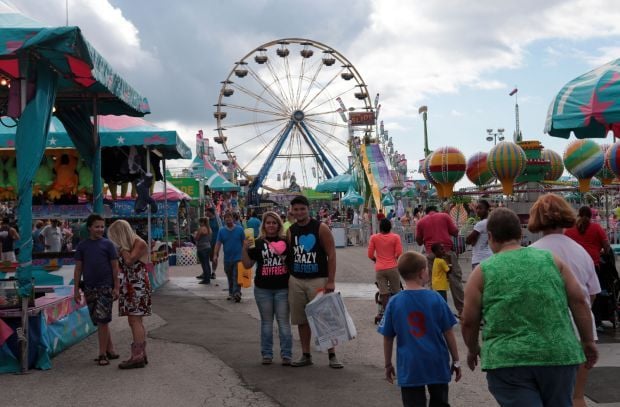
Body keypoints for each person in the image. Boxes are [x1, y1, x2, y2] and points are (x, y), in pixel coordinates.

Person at [461, 208, 598, 406]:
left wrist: (473, 349)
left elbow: (469, 320)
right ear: (520, 234)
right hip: (558, 356)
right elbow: (579, 301)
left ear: (490, 236)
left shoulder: (482, 272)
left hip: (508, 361)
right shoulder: (551, 260)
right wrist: (587, 341)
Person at [528, 194, 600, 407]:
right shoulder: (581, 252)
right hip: (582, 329)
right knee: (576, 397)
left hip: (546, 331)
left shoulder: (532, 253)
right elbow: (592, 293)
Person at [378, 250, 461, 407]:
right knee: (440, 402)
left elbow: (388, 337)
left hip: (410, 365)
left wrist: (388, 364)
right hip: (436, 363)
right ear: (422, 273)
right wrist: (456, 360)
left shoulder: (394, 302)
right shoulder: (436, 298)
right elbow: (448, 332)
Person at [287, 195, 343, 368]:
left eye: (302, 209)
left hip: (318, 279)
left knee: (324, 317)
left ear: (308, 209)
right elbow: (288, 254)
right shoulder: (291, 230)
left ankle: (332, 354)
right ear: (292, 211)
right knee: (302, 320)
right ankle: (306, 354)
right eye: (295, 209)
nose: (299, 212)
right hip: (297, 279)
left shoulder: (321, 228)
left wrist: (331, 280)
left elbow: (331, 255)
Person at [241, 211, 292, 366]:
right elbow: (247, 265)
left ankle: (287, 355)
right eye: (268, 223)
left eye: (274, 222)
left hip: (282, 288)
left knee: (283, 323)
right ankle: (267, 354)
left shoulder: (286, 241)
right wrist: (244, 248)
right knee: (266, 323)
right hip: (263, 289)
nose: (271, 225)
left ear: (279, 225)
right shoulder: (256, 243)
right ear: (264, 225)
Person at [73, 213, 120, 366]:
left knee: (102, 319)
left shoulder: (108, 245)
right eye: (96, 227)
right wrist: (75, 290)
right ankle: (111, 349)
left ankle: (102, 354)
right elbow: (78, 269)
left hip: (105, 286)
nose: (100, 229)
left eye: (102, 226)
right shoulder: (82, 246)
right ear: (89, 228)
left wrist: (116, 286)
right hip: (89, 287)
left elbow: (115, 267)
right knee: (99, 320)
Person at [107, 219, 151, 369]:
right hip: (130, 285)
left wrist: (122, 247)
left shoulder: (139, 243)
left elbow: (129, 261)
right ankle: (140, 353)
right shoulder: (130, 244)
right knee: (134, 320)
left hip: (137, 286)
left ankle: (137, 355)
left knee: (135, 320)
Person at [565, 206, 613, 328]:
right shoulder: (596, 228)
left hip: (573, 267)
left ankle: (574, 320)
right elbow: (606, 245)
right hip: (593, 265)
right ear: (591, 216)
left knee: (574, 294)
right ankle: (596, 322)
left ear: (578, 215)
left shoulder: (570, 230)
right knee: (594, 294)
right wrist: (601, 251)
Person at [415, 206, 463, 315]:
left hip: (431, 255)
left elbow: (418, 241)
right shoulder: (444, 216)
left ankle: (437, 310)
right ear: (436, 210)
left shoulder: (421, 222)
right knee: (454, 280)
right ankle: (462, 309)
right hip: (446, 253)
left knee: (435, 282)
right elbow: (455, 232)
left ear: (426, 212)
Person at [368, 218, 403, 311]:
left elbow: (370, 255)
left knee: (383, 293)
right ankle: (397, 311)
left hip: (380, 269)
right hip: (393, 267)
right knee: (396, 291)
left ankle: (386, 313)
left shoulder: (374, 238)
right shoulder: (396, 237)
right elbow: (399, 253)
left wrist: (376, 259)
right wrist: (393, 258)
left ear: (380, 228)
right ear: (390, 227)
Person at [213, 211, 245, 302]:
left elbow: (244, 243)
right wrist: (215, 255)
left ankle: (237, 293)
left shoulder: (240, 229)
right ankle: (231, 293)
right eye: (226, 218)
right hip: (227, 259)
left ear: (233, 219)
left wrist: (246, 254)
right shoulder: (221, 231)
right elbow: (218, 244)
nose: (228, 219)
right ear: (224, 220)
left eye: (229, 217)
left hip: (238, 258)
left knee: (236, 276)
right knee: (230, 277)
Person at [465, 200, 493, 269]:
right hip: (490, 257)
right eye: (477, 208)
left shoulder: (480, 224)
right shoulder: (491, 222)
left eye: (480, 208)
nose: (478, 210)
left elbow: (468, 240)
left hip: (479, 259)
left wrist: (473, 239)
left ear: (487, 210)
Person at [194, 217, 213, 284]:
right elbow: (210, 239)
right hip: (208, 247)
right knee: (207, 263)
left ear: (202, 222)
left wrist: (194, 235)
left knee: (204, 264)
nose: (199, 224)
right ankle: (208, 278)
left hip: (202, 248)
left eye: (200, 222)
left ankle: (206, 279)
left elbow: (197, 238)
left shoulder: (201, 229)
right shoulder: (209, 229)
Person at [206, 207, 221, 279]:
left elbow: (221, 229)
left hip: (216, 242)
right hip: (207, 242)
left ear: (211, 212)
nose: (206, 213)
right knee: (206, 258)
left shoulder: (217, 220)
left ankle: (213, 272)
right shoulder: (207, 221)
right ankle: (206, 272)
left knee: (214, 257)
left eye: (207, 212)